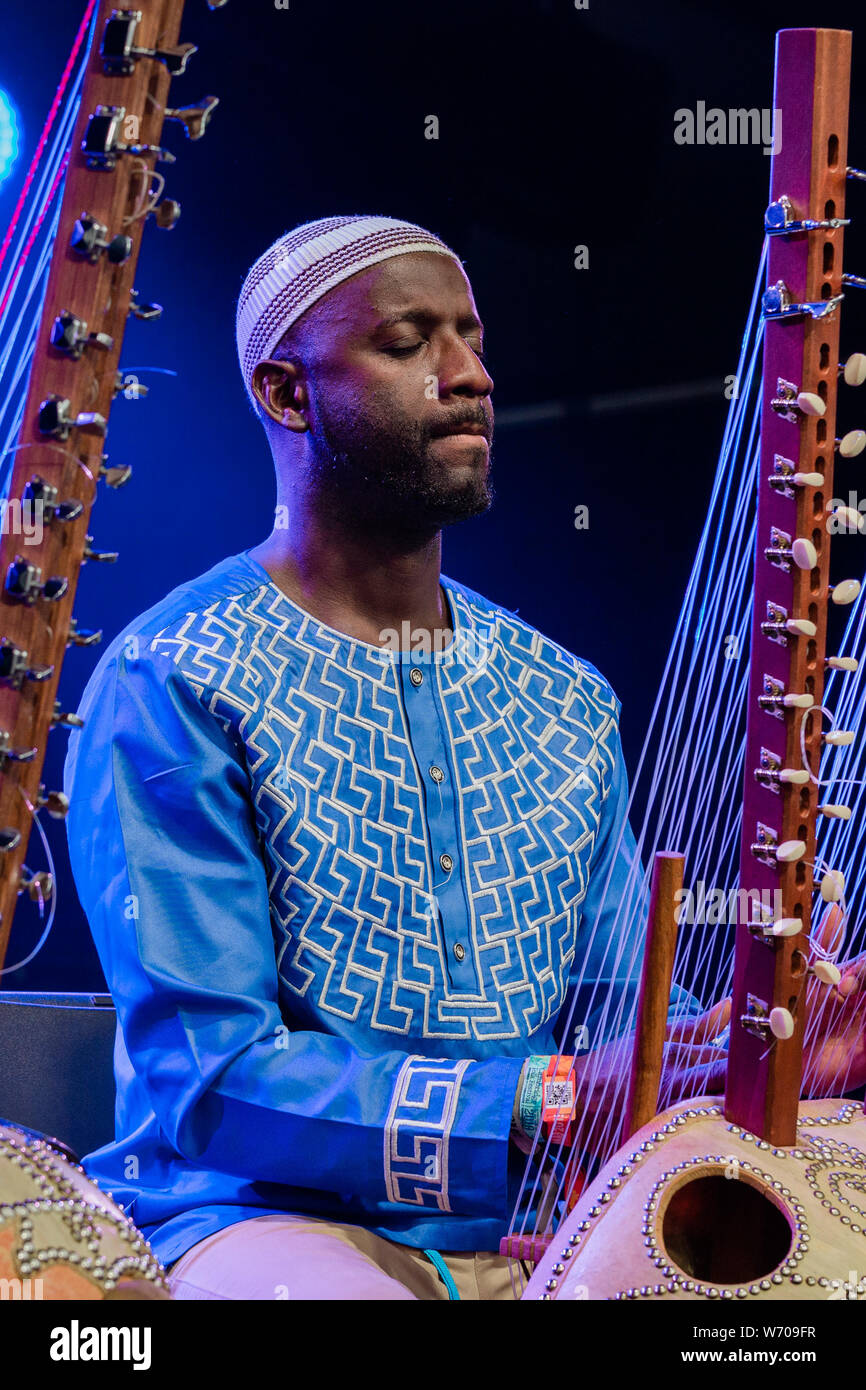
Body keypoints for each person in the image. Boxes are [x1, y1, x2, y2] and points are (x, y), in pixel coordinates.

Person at [63, 214, 725, 1302]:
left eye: (467, 336)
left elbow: (621, 1023)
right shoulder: (176, 677)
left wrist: (752, 1052)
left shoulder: (562, 695)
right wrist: (539, 1100)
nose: (468, 375)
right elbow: (213, 1076)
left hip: (547, 1230)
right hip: (257, 1223)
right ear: (287, 394)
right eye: (408, 343)